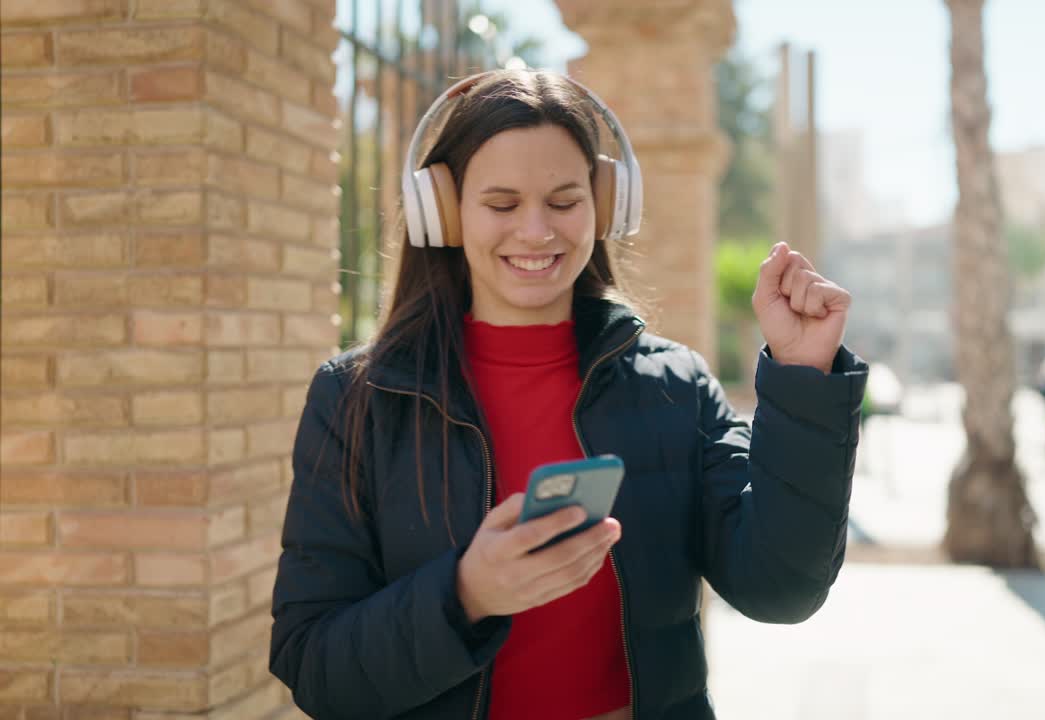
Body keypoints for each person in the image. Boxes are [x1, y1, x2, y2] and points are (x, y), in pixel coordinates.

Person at [268, 69, 868, 720]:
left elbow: (783, 590)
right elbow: (317, 669)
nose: (536, 231)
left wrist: (803, 377)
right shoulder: (358, 398)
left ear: (606, 204)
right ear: (443, 211)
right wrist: (465, 593)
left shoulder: (676, 388)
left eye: (563, 201)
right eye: (501, 204)